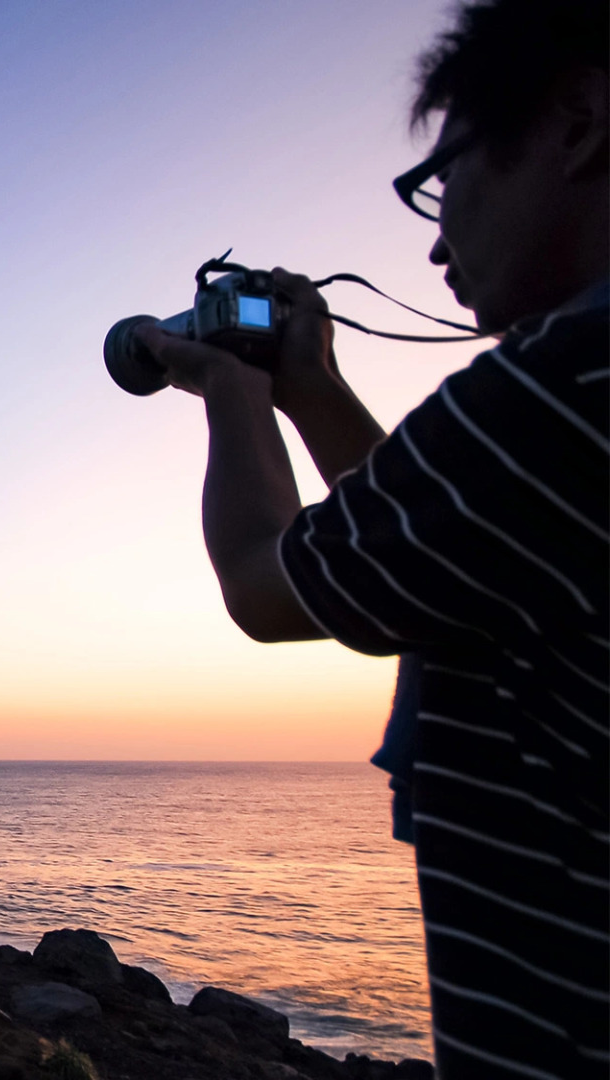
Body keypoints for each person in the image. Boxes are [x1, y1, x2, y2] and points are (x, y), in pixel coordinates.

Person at [132, 1, 607, 1075]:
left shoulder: (554, 391)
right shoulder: (565, 421)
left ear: (579, 120)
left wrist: (230, 390)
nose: (435, 239)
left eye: (444, 177)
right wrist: (311, 389)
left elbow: (264, 586)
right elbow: (443, 548)